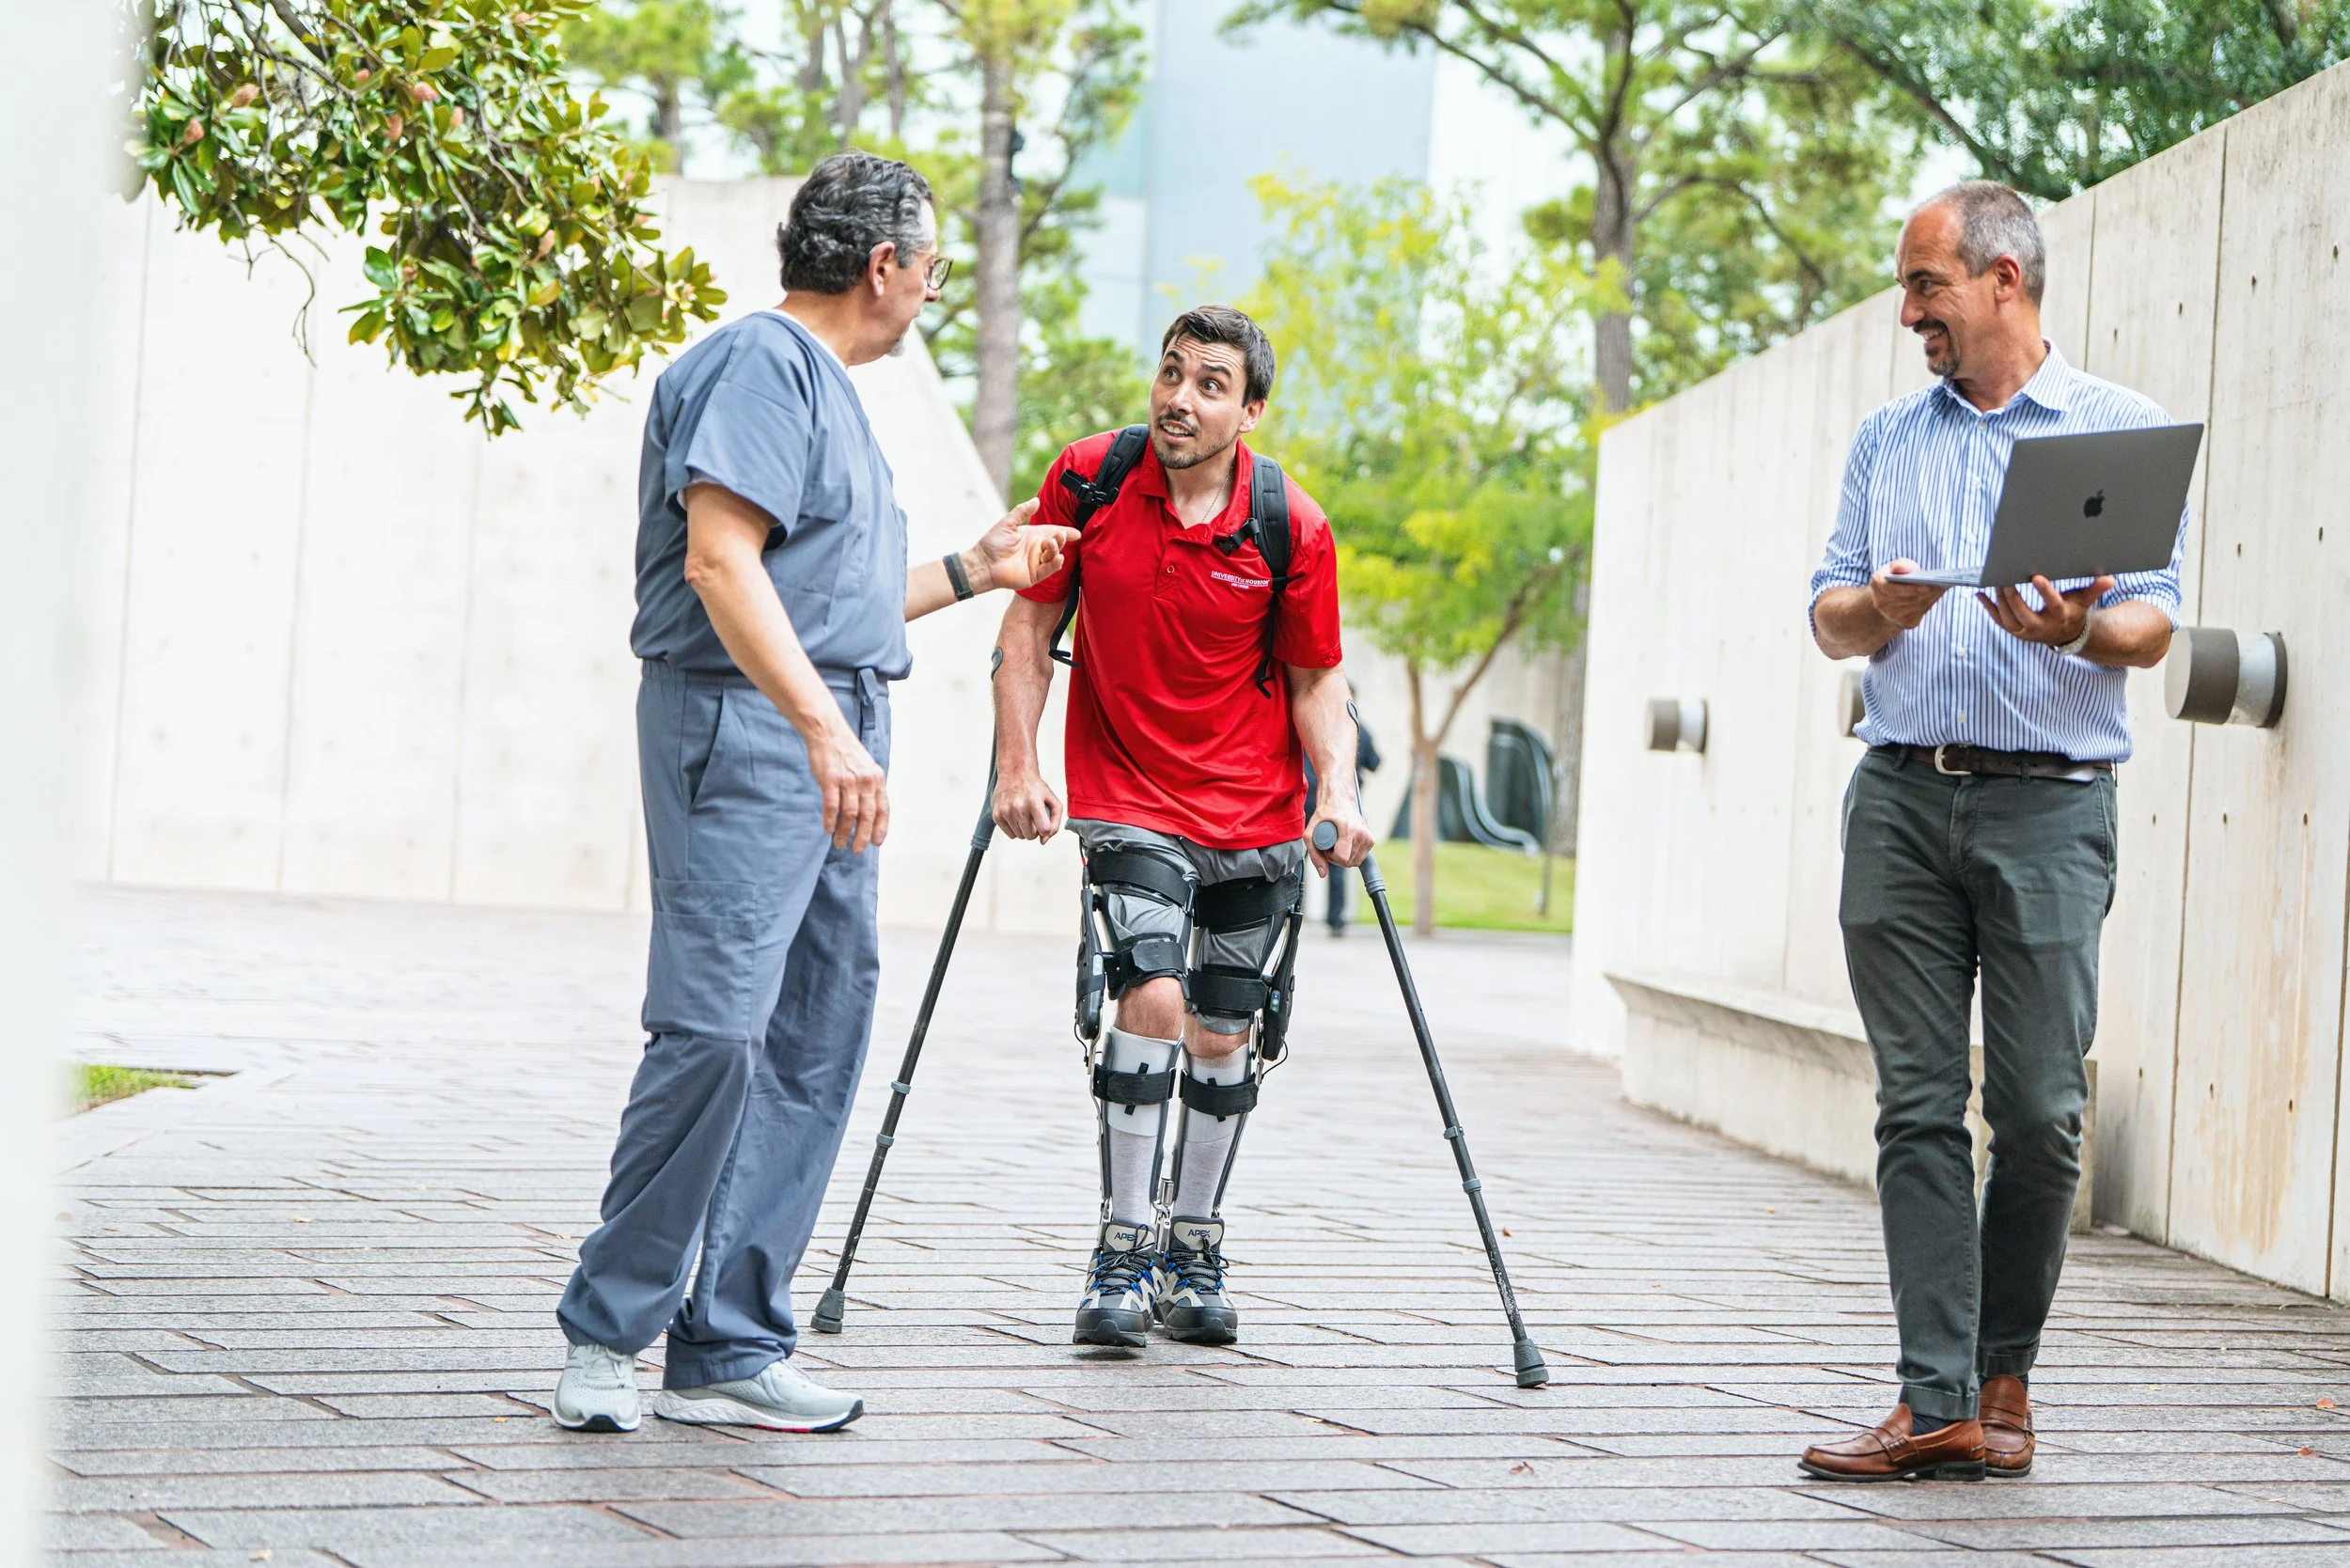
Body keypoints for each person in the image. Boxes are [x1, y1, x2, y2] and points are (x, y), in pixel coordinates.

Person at [550, 151, 1077, 1436]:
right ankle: (606, 1333)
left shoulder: (831, 393)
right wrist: (826, 733)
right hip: (753, 730)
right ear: (883, 266)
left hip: (827, 726)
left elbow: (824, 596)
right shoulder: (761, 366)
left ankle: (729, 1344)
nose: (935, 288)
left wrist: (976, 567)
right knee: (719, 1028)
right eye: (934, 266)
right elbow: (723, 567)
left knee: (812, 1036)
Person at [1800, 181, 2186, 1482]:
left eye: (1927, 288)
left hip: (2052, 807)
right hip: (1902, 797)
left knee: (2040, 1113)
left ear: (2003, 282)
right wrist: (1883, 611)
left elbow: (2154, 621)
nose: (1909, 312)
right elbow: (1828, 616)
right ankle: (1934, 1400)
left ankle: (2004, 1375)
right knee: (1917, 1105)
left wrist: (2075, 626)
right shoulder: (1884, 441)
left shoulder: (2114, 432)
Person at [992, 305, 1375, 1348]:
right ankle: (1121, 1250)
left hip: (1254, 812)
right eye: (1170, 374)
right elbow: (1028, 627)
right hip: (1127, 799)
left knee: (1223, 1029)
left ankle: (1193, 1242)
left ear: (1249, 411)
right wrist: (1018, 763)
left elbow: (1315, 679)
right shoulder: (1090, 480)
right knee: (1153, 1001)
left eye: (1211, 384)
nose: (1179, 398)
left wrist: (1337, 793)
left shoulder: (1290, 522)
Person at [1305, 696, 1380, 934]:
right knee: (1337, 861)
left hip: (1308, 799)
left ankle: (1291, 912)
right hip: (1338, 804)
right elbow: (1375, 763)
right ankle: (1335, 920)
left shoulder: (1310, 726)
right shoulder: (1359, 730)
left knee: (1297, 859)